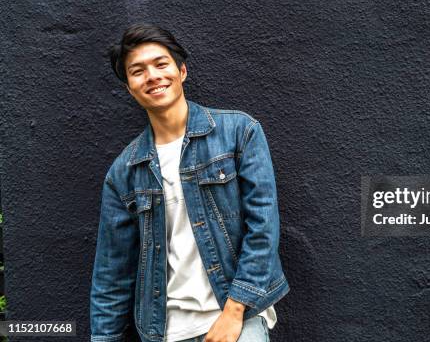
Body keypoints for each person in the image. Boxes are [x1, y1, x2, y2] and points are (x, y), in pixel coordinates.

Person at [90, 24, 289, 342]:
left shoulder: (238, 132)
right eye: (137, 71)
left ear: (181, 71)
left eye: (161, 64)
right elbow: (111, 275)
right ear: (130, 87)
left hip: (237, 320)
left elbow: (263, 229)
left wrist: (234, 312)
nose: (152, 76)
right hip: (165, 331)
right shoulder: (123, 173)